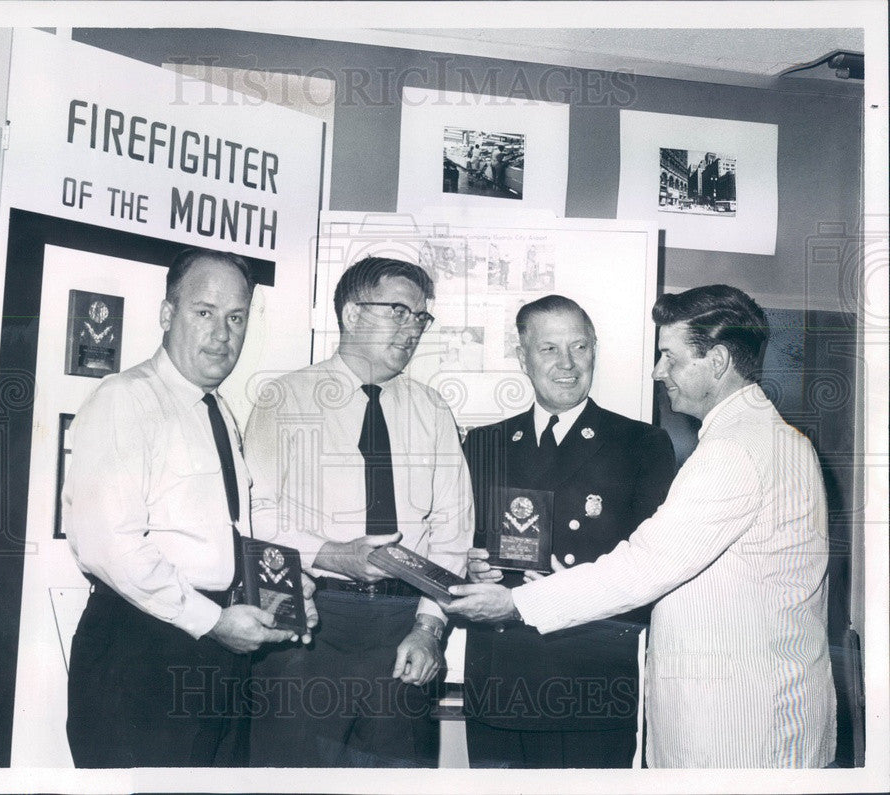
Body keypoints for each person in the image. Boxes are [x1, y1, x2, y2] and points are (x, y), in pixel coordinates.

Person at [445, 284, 837, 768]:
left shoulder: (734, 452)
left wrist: (516, 603)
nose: (657, 372)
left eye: (669, 356)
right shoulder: (775, 438)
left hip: (738, 721)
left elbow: (643, 566)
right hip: (754, 706)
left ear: (715, 361)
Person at [63, 247, 316, 768]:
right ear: (166, 315)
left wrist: (282, 593)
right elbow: (110, 545)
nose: (222, 334)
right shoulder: (125, 399)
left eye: (236, 318)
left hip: (216, 647)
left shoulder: (218, 410)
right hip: (143, 647)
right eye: (204, 313)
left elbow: (224, 532)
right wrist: (215, 621)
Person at [244, 255, 475, 767]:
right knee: (293, 780)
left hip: (404, 628)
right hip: (307, 624)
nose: (412, 328)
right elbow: (257, 514)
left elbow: (453, 531)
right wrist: (331, 553)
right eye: (398, 310)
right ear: (351, 315)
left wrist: (430, 626)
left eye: (419, 317)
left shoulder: (432, 409)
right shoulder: (284, 398)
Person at [461, 295, 676, 768]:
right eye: (549, 349)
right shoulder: (483, 443)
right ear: (523, 357)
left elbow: (656, 569)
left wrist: (572, 586)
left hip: (588, 682)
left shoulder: (640, 443)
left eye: (579, 347)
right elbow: (453, 543)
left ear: (595, 350)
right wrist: (469, 564)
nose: (567, 364)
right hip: (499, 679)